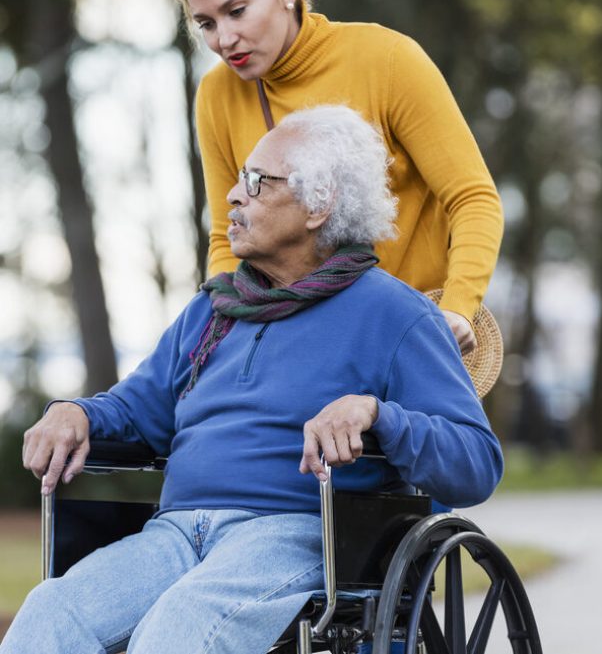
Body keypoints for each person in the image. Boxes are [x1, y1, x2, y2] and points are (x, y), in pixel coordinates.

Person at [2, 107, 503, 654]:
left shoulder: (395, 315)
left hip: (291, 534)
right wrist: (78, 413)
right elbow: (137, 409)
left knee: (182, 627)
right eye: (240, 179)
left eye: (257, 183)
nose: (234, 197)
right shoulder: (214, 308)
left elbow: (475, 461)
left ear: (320, 204)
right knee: (52, 611)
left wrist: (378, 414)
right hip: (172, 536)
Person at [166, 0, 504, 354]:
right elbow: (227, 235)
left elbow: (473, 199)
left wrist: (459, 307)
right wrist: (229, 334)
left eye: (237, 11)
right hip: (299, 351)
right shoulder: (216, 93)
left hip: (407, 341)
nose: (224, 39)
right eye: (206, 24)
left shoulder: (387, 60)